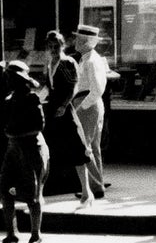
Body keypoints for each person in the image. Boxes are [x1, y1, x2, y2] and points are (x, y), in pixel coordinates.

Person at [0, 61, 48, 243]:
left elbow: (39, 125)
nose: (8, 81)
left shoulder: (32, 98)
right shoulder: (8, 100)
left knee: (33, 194)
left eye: (11, 77)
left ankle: (36, 236)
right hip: (13, 149)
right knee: (5, 189)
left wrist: (15, 132)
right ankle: (11, 234)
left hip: (32, 148)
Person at [41, 30, 93, 206]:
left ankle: (86, 192)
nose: (53, 49)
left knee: (77, 150)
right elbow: (48, 87)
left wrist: (64, 105)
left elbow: (73, 87)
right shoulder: (49, 64)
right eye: (50, 47)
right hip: (51, 110)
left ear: (62, 46)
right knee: (47, 151)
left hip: (64, 111)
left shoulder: (67, 63)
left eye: (56, 46)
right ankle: (41, 192)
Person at [72, 24, 110, 201]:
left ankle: (94, 186)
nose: (75, 41)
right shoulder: (87, 59)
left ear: (87, 42)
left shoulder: (91, 61)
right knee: (93, 148)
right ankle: (97, 185)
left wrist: (81, 107)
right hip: (90, 104)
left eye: (79, 39)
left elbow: (96, 89)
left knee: (83, 147)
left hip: (88, 104)